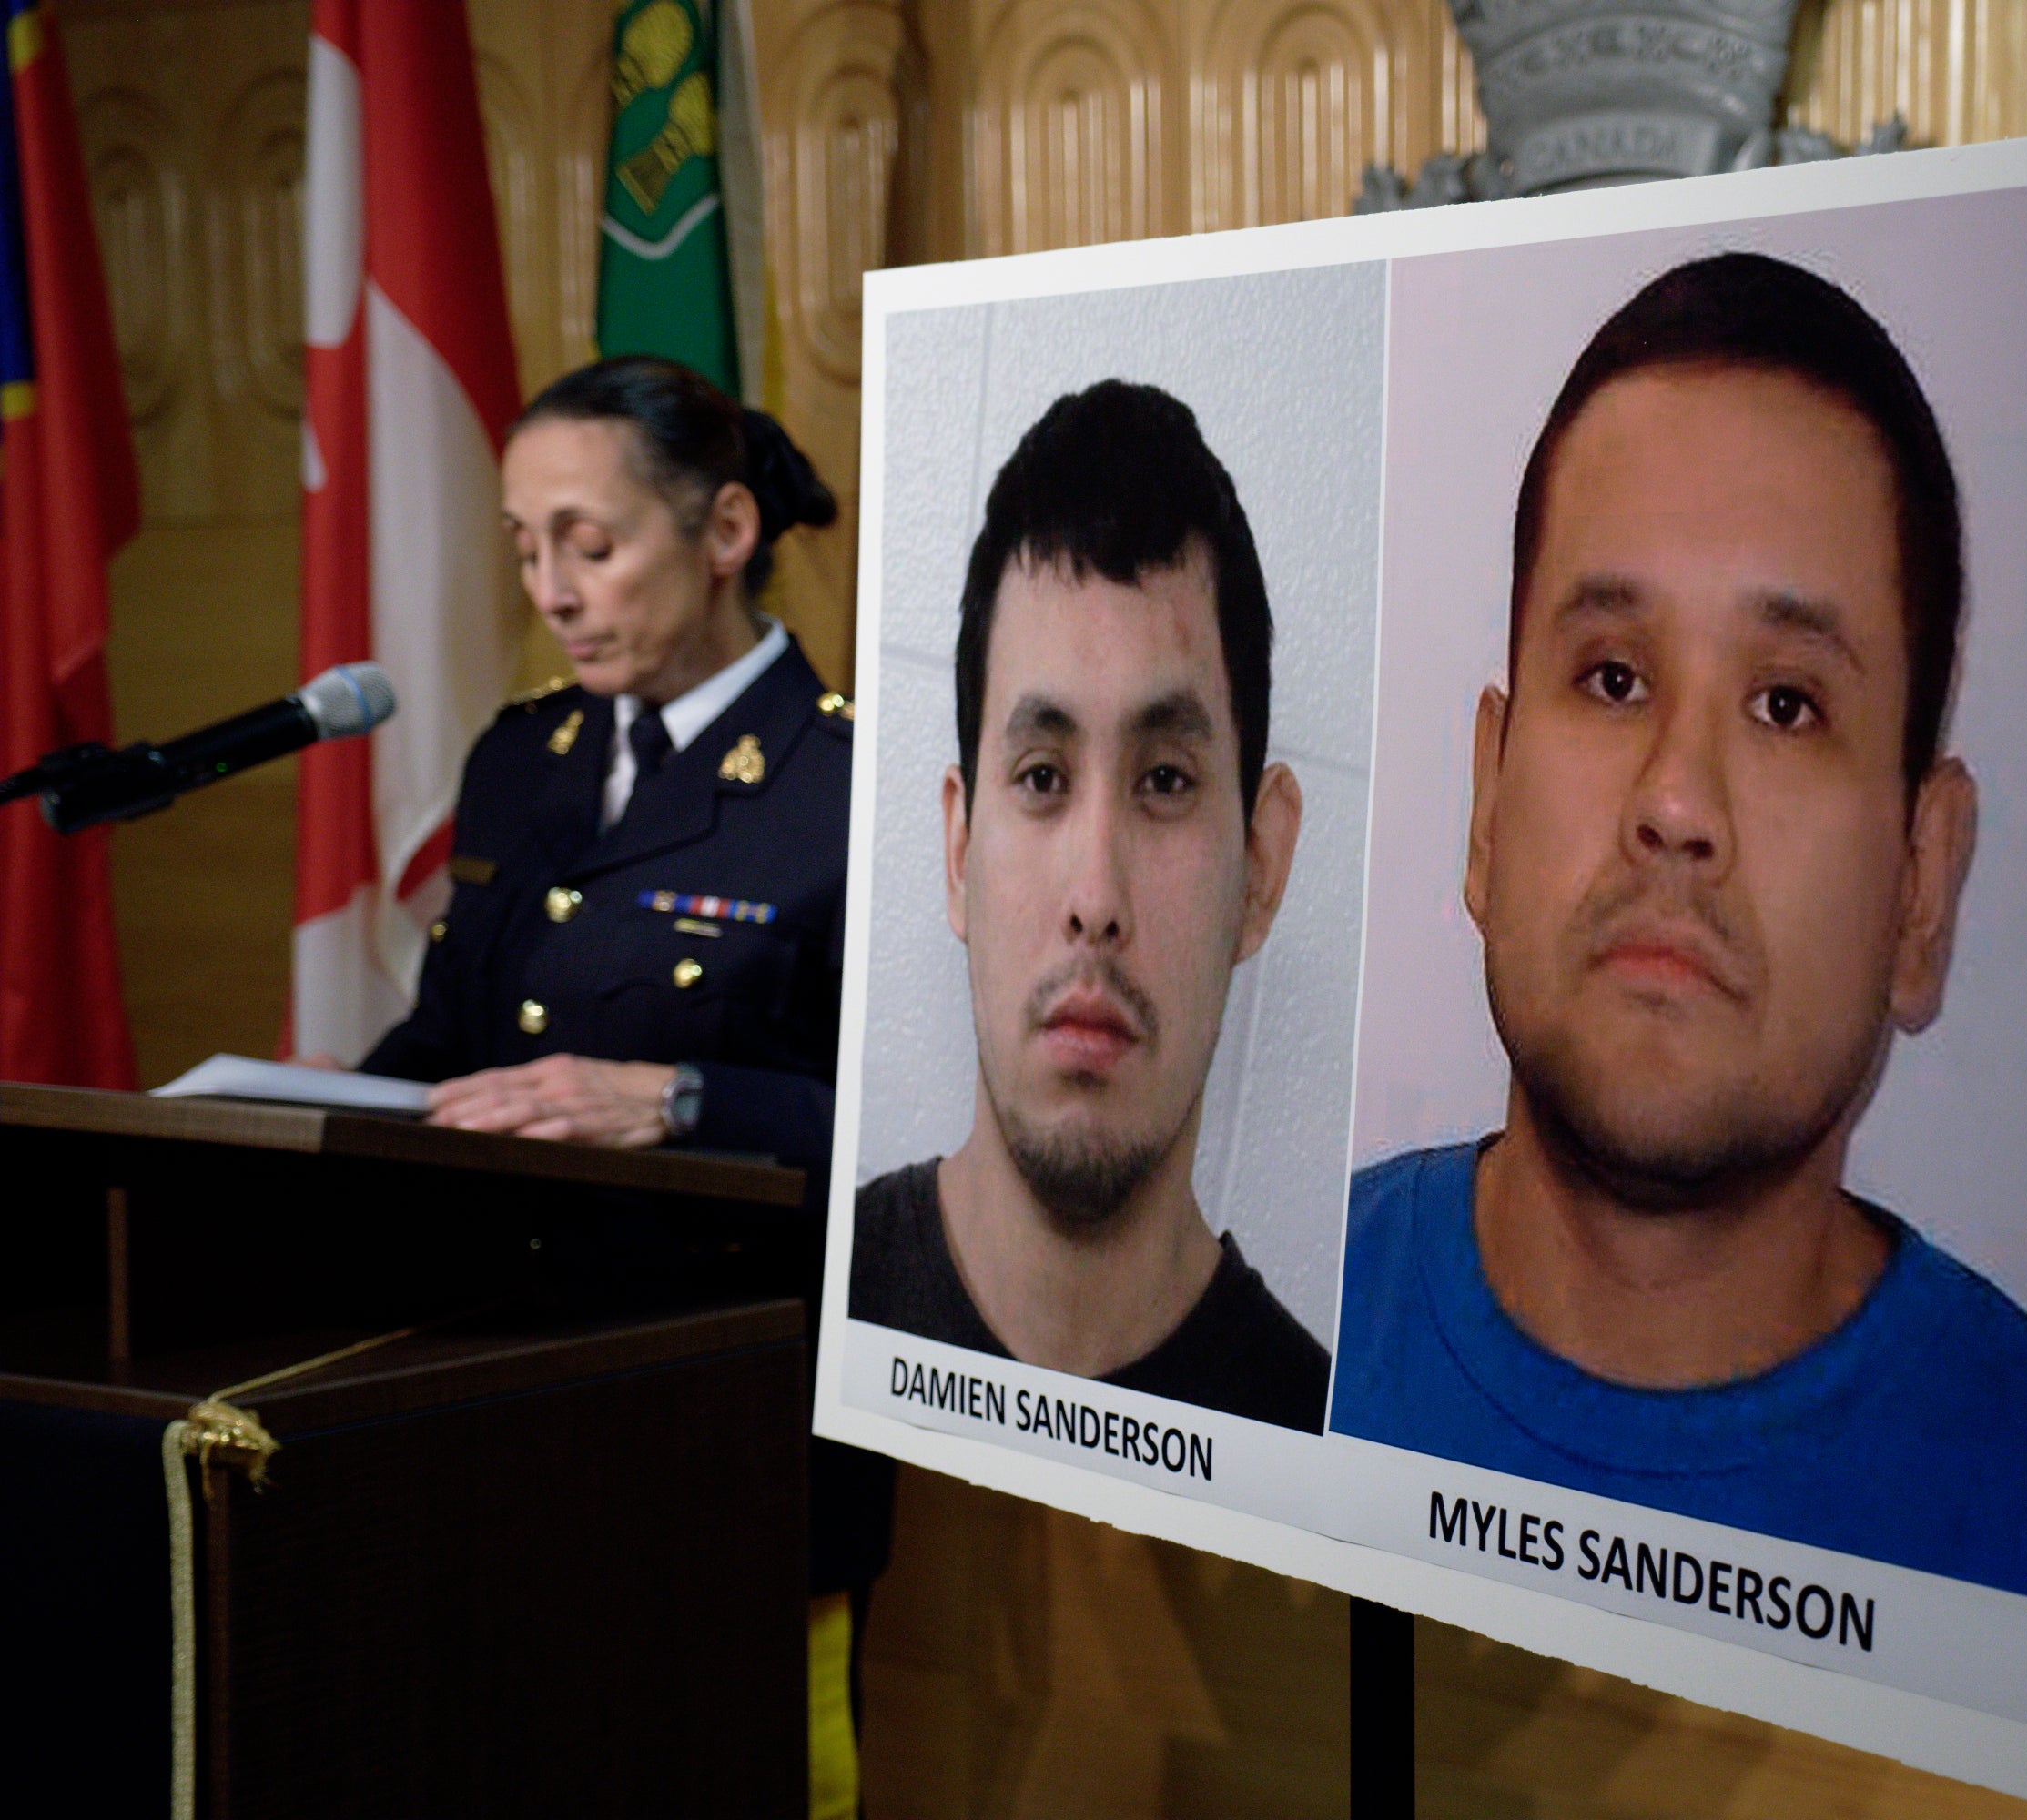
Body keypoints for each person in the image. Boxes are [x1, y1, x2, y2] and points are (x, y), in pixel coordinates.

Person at [1329, 254, 2027, 1604]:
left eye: (1787, 705)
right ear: (1487, 805)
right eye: (1613, 677)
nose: (1676, 802)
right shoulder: (1245, 1347)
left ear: (1923, 881)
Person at [354, 354, 892, 1790]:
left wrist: (681, 1102)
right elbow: (448, 1039)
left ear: (723, 534)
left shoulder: (871, 788)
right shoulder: (524, 762)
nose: (551, 589)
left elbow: (935, 1150)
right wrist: (288, 1117)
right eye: (527, 549)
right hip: (503, 1398)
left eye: (589, 545)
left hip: (735, 1427)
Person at [847, 380, 1331, 1433]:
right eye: (1040, 775)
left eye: (1165, 780)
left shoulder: (1323, 1449)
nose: (1095, 901)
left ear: (1261, 865)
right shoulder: (803, 1324)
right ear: (958, 844)